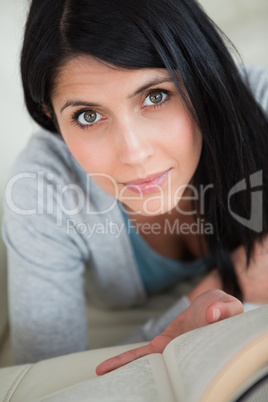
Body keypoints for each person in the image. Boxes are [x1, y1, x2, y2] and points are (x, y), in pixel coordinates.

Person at [2, 0, 268, 367]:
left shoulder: (260, 104)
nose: (134, 153)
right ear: (50, 116)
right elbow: (44, 378)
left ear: (202, 78)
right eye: (88, 115)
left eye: (155, 96)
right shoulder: (42, 188)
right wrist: (199, 304)